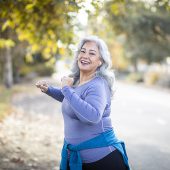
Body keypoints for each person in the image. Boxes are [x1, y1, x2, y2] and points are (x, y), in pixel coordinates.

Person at [36, 35, 130, 170]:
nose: (85, 56)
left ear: (100, 61)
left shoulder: (98, 85)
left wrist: (67, 89)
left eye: (92, 53)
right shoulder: (77, 81)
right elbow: (74, 103)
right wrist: (50, 90)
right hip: (80, 160)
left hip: (103, 160)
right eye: (83, 51)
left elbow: (92, 116)